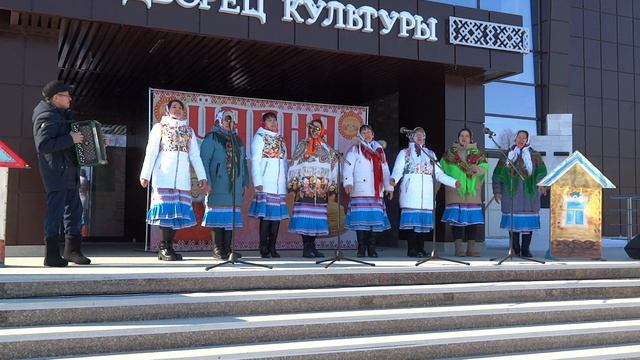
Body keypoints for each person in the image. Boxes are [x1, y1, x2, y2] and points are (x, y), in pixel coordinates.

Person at [140, 99, 207, 261]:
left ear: (184, 112)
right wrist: (145, 175)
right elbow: (151, 152)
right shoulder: (159, 128)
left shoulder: (188, 131)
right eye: (174, 107)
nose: (177, 110)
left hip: (182, 179)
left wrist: (202, 176)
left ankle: (170, 247)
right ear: (167, 111)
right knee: (166, 213)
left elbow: (195, 156)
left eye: (180, 108)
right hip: (164, 176)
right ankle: (163, 248)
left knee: (176, 214)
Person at [32, 80, 91, 267]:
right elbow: (43, 145)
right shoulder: (45, 116)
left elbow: (73, 140)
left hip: (70, 170)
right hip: (56, 171)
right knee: (55, 212)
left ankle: (72, 251)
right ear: (56, 98)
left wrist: (93, 141)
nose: (70, 99)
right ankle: (51, 255)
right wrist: (70, 139)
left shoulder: (63, 115)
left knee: (75, 210)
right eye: (67, 95)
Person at [390, 127, 459, 257]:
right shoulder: (405, 153)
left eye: (422, 135)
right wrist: (394, 179)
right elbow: (398, 169)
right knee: (413, 224)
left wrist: (453, 182)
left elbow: (439, 174)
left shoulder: (430, 154)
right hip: (411, 192)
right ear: (411, 137)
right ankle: (411, 249)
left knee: (422, 224)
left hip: (426, 194)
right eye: (417, 134)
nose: (420, 137)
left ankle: (420, 249)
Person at [200, 110, 250, 260]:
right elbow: (204, 160)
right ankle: (218, 249)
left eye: (231, 120)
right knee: (217, 216)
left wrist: (245, 180)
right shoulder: (212, 138)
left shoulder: (237, 140)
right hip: (217, 182)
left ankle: (228, 249)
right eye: (226, 120)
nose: (229, 123)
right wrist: (207, 180)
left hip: (234, 183)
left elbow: (242, 162)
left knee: (230, 217)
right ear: (219, 121)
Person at [492, 130, 547, 257]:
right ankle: (515, 248)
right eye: (519, 137)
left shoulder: (535, 156)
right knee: (513, 224)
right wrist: (497, 191)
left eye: (524, 138)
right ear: (515, 139)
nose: (521, 140)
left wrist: (541, 185)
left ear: (527, 140)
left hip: (529, 196)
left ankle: (525, 249)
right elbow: (497, 175)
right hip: (511, 194)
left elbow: (542, 172)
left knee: (527, 225)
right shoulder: (507, 156)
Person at [287, 119, 338, 258]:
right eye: (312, 127)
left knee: (316, 219)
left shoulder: (327, 148)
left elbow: (334, 168)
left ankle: (313, 246)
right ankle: (306, 248)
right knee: (306, 217)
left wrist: (332, 189)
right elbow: (294, 164)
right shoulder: (303, 144)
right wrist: (293, 185)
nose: (314, 130)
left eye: (317, 127)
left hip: (321, 188)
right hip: (305, 187)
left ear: (322, 130)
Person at [343, 124, 393, 258]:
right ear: (360, 135)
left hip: (375, 191)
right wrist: (348, 182)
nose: (367, 134)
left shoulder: (379, 150)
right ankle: (361, 248)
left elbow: (385, 169)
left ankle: (372, 248)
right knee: (361, 222)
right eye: (364, 132)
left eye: (369, 132)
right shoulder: (355, 149)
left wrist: (389, 187)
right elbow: (348, 167)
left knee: (374, 222)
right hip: (360, 190)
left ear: (373, 134)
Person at [439, 128, 489, 257]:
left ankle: (471, 248)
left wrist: (477, 168)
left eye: (467, 136)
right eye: (462, 135)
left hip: (472, 192)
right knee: (457, 221)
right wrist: (435, 189)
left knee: (472, 221)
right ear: (458, 138)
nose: (464, 138)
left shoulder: (478, 153)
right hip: (455, 191)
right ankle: (459, 248)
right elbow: (439, 171)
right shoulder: (449, 153)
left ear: (471, 138)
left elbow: (485, 167)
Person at [248, 112, 289, 258]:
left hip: (279, 185)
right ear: (263, 123)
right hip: (265, 183)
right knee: (265, 218)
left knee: (276, 219)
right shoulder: (260, 137)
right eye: (269, 120)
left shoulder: (280, 139)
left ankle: (273, 247)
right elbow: (255, 161)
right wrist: (257, 181)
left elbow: (284, 163)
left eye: (274, 121)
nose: (273, 123)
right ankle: (263, 247)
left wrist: (286, 180)